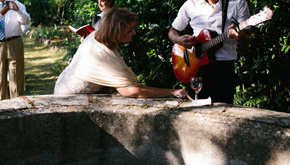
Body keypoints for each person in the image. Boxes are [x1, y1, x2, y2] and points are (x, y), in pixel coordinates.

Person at [55, 8, 191, 99]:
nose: (134, 33)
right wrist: (172, 92)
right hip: (70, 98)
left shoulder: (97, 36)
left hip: (63, 87)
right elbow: (132, 91)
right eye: (130, 30)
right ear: (116, 31)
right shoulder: (103, 54)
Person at [169, 0, 250, 104]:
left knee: (224, 117)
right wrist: (179, 40)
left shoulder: (238, 4)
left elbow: (246, 42)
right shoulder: (191, 4)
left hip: (223, 70)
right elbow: (173, 31)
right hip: (195, 69)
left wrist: (240, 37)